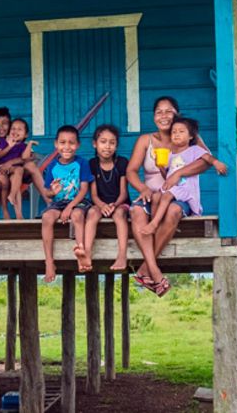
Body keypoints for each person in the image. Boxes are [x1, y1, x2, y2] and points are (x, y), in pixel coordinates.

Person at [127, 97, 211, 295]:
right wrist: (143, 189)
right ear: (154, 116)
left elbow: (206, 161)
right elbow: (131, 171)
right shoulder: (146, 140)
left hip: (178, 196)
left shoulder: (185, 138)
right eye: (159, 112)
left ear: (177, 115)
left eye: (168, 111)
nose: (163, 116)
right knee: (137, 212)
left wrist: (179, 173)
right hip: (151, 195)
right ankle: (154, 270)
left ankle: (145, 270)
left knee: (173, 211)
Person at [146, 117, 227, 233]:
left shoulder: (194, 150)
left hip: (186, 189)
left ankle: (154, 224)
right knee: (155, 197)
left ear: (191, 136)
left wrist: (216, 163)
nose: (176, 134)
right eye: (174, 132)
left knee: (166, 196)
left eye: (181, 131)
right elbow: (167, 177)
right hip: (173, 188)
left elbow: (208, 157)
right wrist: (160, 167)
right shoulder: (170, 155)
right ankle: (156, 223)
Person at [38, 125, 93, 282]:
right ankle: (49, 261)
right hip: (59, 203)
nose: (67, 147)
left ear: (78, 145)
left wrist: (69, 207)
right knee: (47, 217)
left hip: (78, 201)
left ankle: (81, 253)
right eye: (62, 143)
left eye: (71, 143)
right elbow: (47, 192)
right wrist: (53, 192)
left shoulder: (82, 163)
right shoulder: (52, 166)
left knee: (77, 215)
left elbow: (83, 190)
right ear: (56, 144)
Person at [79, 124, 129, 273]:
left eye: (112, 142)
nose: (107, 146)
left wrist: (114, 205)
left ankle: (122, 255)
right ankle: (86, 254)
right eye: (103, 142)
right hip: (99, 204)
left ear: (116, 145)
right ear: (95, 144)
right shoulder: (92, 164)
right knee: (92, 213)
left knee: (119, 215)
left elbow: (124, 193)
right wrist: (102, 206)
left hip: (120, 203)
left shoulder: (122, 163)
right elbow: (93, 194)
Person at [2, 118, 41, 219]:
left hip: (17, 173)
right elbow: (0, 155)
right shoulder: (4, 143)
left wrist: (30, 144)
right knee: (18, 174)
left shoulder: (24, 146)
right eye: (13, 128)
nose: (15, 131)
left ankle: (19, 215)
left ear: (26, 135)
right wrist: (9, 146)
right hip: (4, 171)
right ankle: (12, 195)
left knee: (17, 185)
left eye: (19, 129)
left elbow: (25, 157)